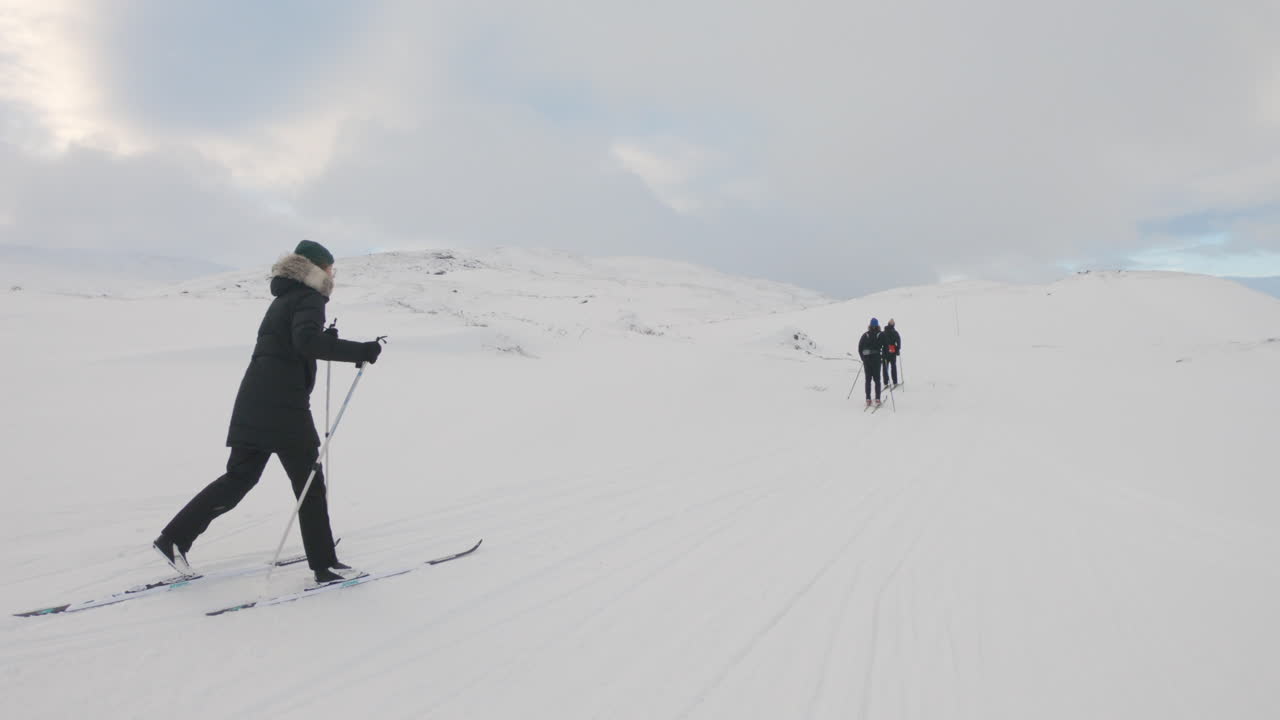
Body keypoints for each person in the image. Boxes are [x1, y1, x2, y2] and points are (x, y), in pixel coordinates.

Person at [153, 240, 384, 584]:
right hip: (283, 407)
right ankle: (325, 564)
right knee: (309, 485)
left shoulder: (285, 297)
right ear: (317, 269)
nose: (333, 274)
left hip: (256, 401)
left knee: (239, 479)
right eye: (330, 268)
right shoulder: (309, 297)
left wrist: (326, 338)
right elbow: (306, 343)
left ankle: (173, 539)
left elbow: (295, 342)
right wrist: (360, 350)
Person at [858, 317, 886, 407]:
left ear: (870, 325)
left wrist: (863, 358)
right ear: (877, 325)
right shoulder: (881, 334)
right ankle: (877, 399)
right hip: (876, 360)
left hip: (867, 360)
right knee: (877, 380)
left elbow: (859, 348)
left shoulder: (865, 335)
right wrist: (883, 356)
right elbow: (885, 346)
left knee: (868, 380)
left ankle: (868, 399)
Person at [881, 318, 901, 387]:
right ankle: (894, 382)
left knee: (885, 367)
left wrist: (881, 350)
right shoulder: (895, 332)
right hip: (892, 351)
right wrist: (898, 349)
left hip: (885, 351)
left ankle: (886, 382)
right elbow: (898, 341)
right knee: (893, 367)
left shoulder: (884, 332)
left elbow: (880, 343)